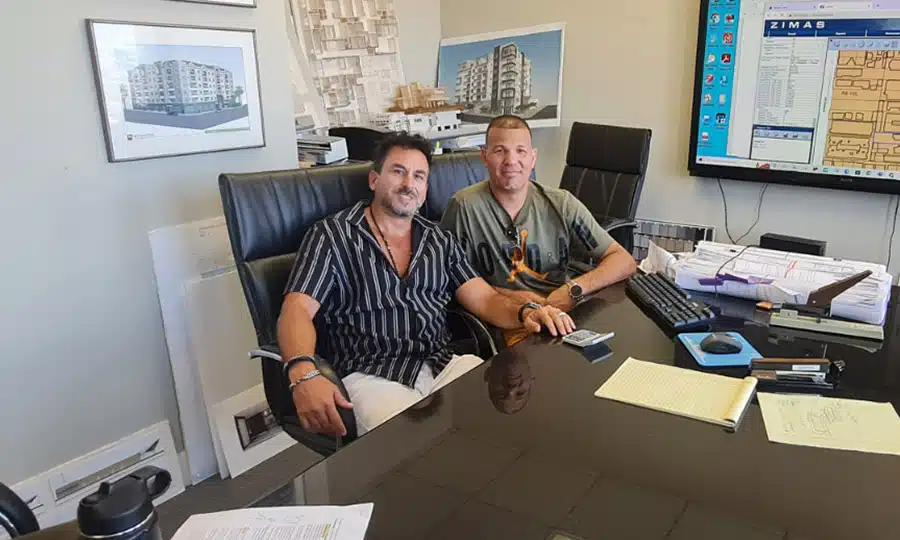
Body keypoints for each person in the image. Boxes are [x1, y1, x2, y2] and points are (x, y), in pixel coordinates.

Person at [277, 132, 576, 437]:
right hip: (371, 375)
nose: (409, 183)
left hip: (442, 364)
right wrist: (303, 371)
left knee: (501, 424)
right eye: (398, 171)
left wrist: (526, 311)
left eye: (419, 176)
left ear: (425, 190)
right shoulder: (332, 236)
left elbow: (485, 299)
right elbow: (297, 309)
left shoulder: (439, 240)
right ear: (374, 180)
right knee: (414, 446)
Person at [440, 115, 637, 314]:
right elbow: (443, 275)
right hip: (498, 315)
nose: (511, 161)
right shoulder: (463, 207)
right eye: (500, 151)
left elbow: (623, 260)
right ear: (484, 156)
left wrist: (573, 289)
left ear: (533, 158)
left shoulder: (561, 204)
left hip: (560, 310)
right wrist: (504, 296)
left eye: (521, 151)